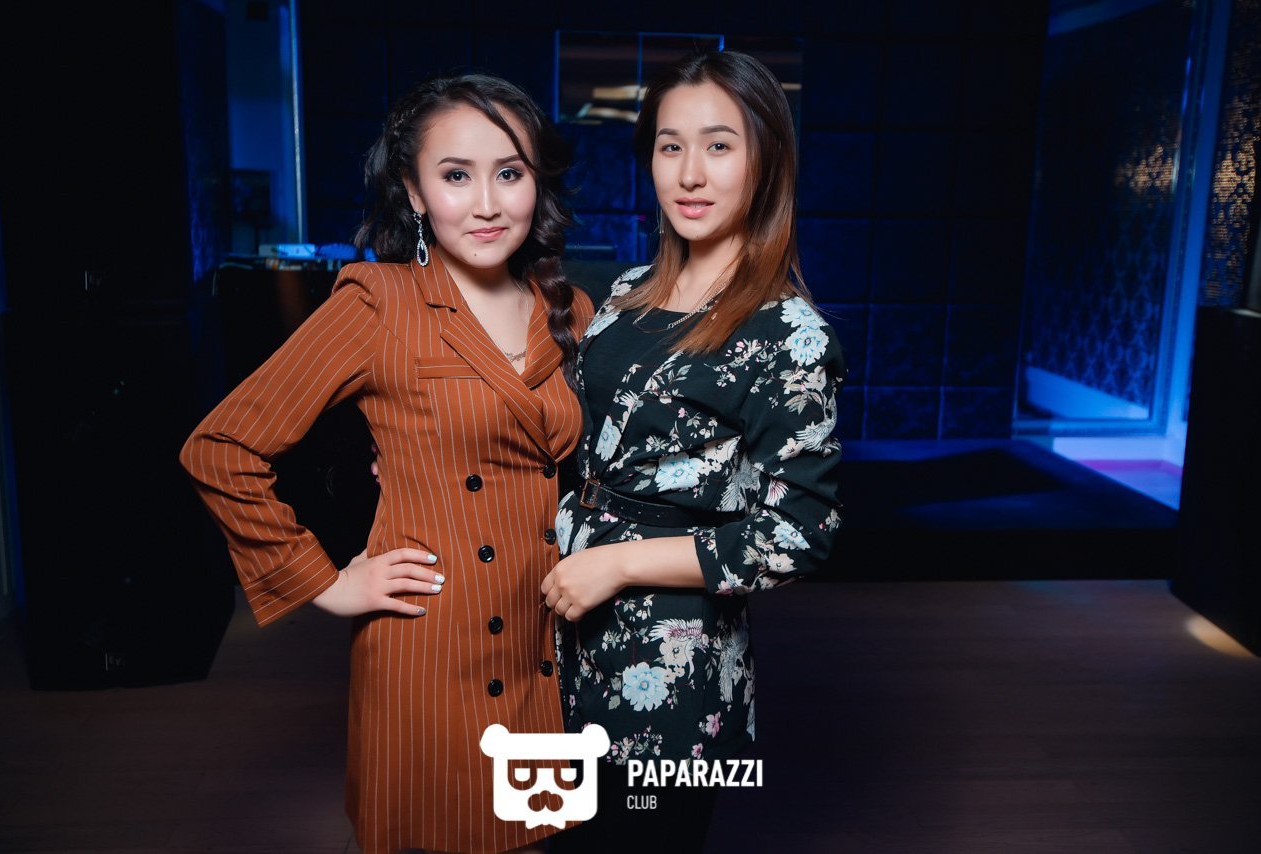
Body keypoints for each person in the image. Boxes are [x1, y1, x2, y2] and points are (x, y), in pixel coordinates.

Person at [180, 74, 595, 854]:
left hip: (545, 639)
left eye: (509, 173)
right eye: (455, 175)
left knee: (532, 835)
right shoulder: (379, 302)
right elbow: (222, 447)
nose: (486, 203)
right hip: (433, 642)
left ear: (537, 182)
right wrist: (325, 581)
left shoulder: (569, 308)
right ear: (413, 191)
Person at [540, 50, 845, 849]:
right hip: (564, 638)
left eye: (719, 145)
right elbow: (580, 439)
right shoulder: (624, 294)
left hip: (672, 668)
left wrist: (619, 565)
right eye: (670, 145)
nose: (690, 173)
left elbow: (798, 535)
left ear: (764, 161)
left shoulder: (788, 333)